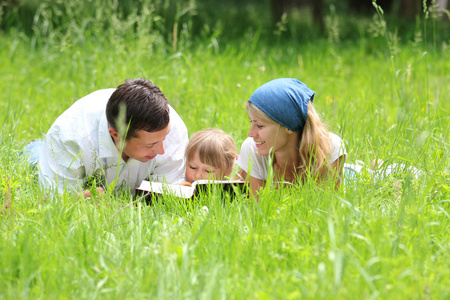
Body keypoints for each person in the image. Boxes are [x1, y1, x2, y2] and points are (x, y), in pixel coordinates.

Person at [36, 78, 188, 196]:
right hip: (51, 152)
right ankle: (34, 148)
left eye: (163, 139)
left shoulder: (174, 129)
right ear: (116, 135)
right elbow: (56, 200)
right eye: (150, 145)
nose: (162, 150)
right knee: (36, 158)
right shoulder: (69, 138)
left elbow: (169, 196)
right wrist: (78, 203)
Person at [236, 78, 347, 196]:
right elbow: (258, 210)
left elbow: (331, 206)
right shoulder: (252, 149)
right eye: (251, 122)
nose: (250, 133)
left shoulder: (331, 148)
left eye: (259, 125)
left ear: (288, 126)